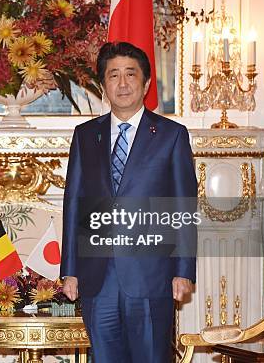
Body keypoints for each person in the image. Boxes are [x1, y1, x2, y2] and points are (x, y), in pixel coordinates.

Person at [60, 42, 197, 362]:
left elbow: (183, 207)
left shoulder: (171, 135)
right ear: (103, 85)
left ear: (146, 82)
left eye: (130, 74)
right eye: (113, 75)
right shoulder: (85, 135)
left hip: (151, 276)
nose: (122, 83)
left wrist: (183, 270)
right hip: (97, 277)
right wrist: (70, 270)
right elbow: (75, 204)